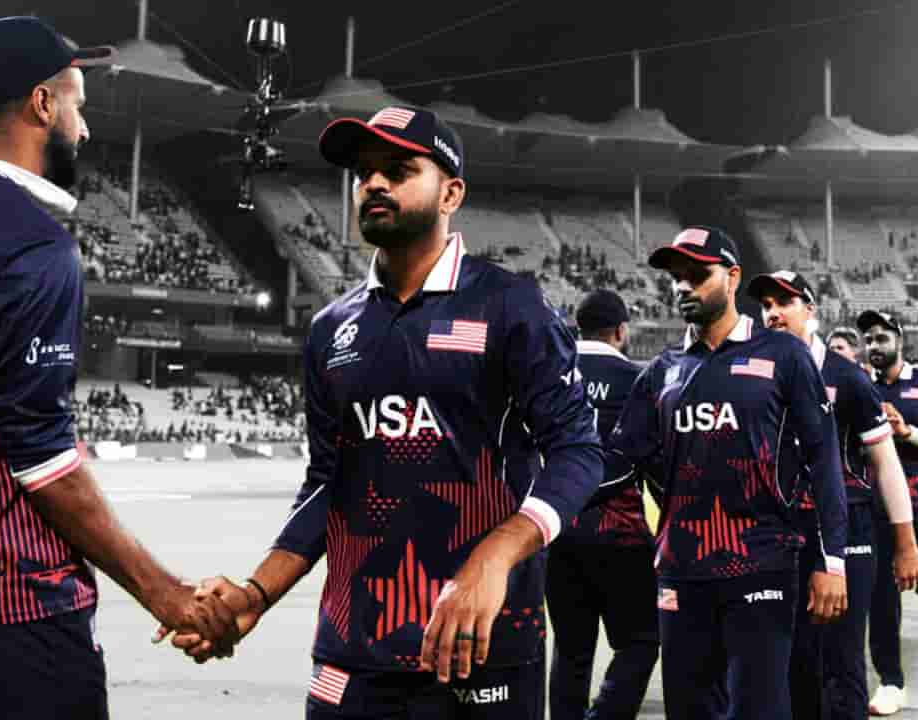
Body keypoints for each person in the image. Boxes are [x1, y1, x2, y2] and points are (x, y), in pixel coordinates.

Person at [0, 17, 240, 720]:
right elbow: (44, 460)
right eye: (77, 106)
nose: (84, 130)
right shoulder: (29, 241)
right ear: (41, 104)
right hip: (5, 607)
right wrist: (164, 591)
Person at [163, 106, 604, 719]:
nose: (373, 183)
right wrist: (255, 594)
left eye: (398, 171)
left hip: (480, 651)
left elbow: (578, 452)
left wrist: (496, 554)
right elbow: (328, 483)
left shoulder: (511, 305)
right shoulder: (330, 329)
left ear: (451, 193)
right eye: (364, 173)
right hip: (353, 652)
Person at [607, 227, 848, 720]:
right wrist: (538, 510)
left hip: (762, 563)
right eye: (676, 277)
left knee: (760, 709)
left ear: (733, 277)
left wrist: (833, 561)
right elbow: (619, 462)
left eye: (697, 275)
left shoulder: (784, 355)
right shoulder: (662, 370)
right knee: (689, 711)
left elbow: (823, 458)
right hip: (680, 569)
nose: (683, 286)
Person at [748, 273, 918, 720]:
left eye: (784, 302)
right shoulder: (753, 370)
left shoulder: (847, 378)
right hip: (777, 534)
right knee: (789, 658)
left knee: (842, 657)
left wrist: (906, 544)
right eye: (766, 305)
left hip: (848, 531)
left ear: (810, 309)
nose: (773, 313)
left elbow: (886, 462)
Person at [547, 290, 658, 720]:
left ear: (578, 327)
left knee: (571, 648)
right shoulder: (637, 379)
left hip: (557, 526)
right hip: (619, 532)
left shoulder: (552, 373)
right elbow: (650, 458)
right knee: (640, 641)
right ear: (621, 331)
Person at [858, 310, 918, 714]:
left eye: (882, 338)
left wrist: (906, 432)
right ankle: (890, 681)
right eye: (869, 340)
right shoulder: (861, 386)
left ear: (899, 340)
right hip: (876, 504)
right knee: (881, 595)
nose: (874, 346)